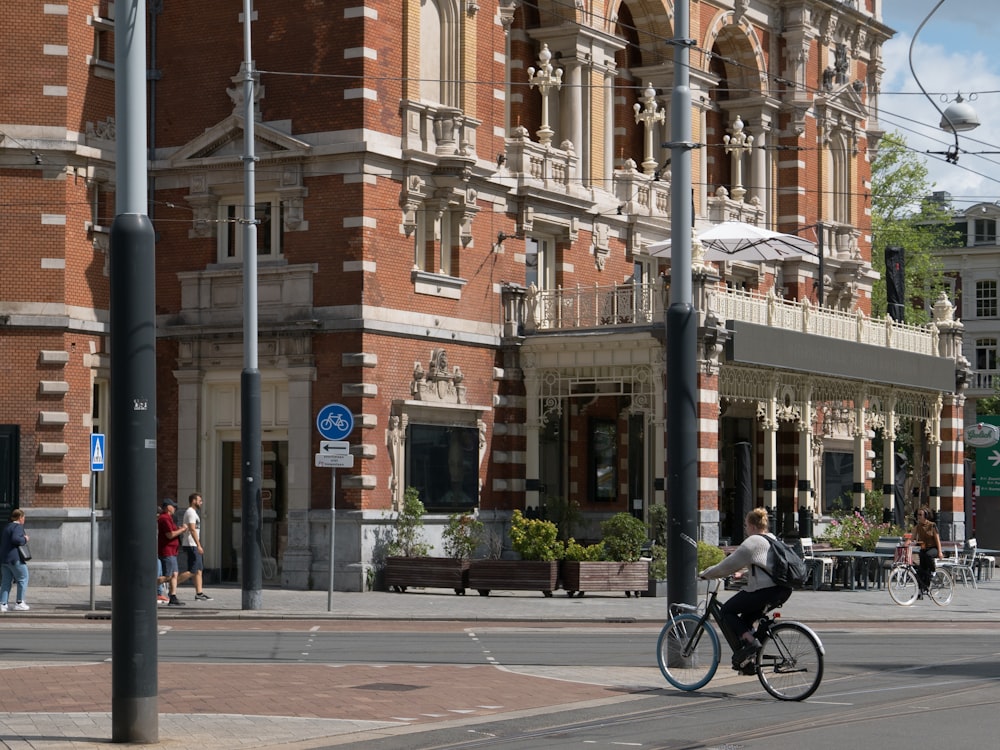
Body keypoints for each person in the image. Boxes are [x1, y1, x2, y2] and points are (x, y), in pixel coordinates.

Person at [698, 507, 792, 671]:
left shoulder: (753, 542)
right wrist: (745, 575)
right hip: (782, 590)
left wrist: (706, 574)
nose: (746, 529)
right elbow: (767, 567)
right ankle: (750, 662)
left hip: (764, 591)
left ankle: (752, 644)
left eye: (746, 526)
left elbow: (727, 565)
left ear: (753, 527)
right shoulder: (772, 538)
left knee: (727, 611)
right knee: (746, 620)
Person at [178, 492, 212, 601]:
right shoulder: (190, 512)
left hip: (193, 544)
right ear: (194, 501)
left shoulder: (194, 512)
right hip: (191, 544)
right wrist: (199, 545)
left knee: (199, 570)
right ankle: (171, 584)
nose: (201, 503)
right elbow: (192, 529)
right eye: (199, 500)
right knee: (192, 570)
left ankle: (199, 593)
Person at [156, 499, 186, 606]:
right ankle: (148, 586)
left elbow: (172, 531)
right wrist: (182, 530)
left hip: (173, 551)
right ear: (168, 507)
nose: (175, 509)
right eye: (173, 506)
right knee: (168, 576)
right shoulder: (164, 518)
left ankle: (172, 597)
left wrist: (178, 529)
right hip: (167, 551)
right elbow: (170, 535)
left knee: (174, 574)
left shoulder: (169, 518)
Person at [0, 509, 31, 612]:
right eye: (24, 518)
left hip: (5, 559)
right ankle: (19, 602)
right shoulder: (18, 527)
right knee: (23, 577)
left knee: (6, 582)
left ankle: (3, 603)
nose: (24, 520)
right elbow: (16, 539)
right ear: (20, 518)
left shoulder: (7, 526)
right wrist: (25, 539)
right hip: (15, 558)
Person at [912, 505, 942, 597]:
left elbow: (937, 540)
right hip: (923, 549)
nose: (919, 516)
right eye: (918, 515)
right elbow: (912, 538)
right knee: (921, 571)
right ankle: (921, 591)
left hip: (933, 548)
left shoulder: (932, 526)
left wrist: (940, 552)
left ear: (925, 516)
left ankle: (933, 570)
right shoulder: (917, 527)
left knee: (928, 555)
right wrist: (907, 543)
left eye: (921, 515)